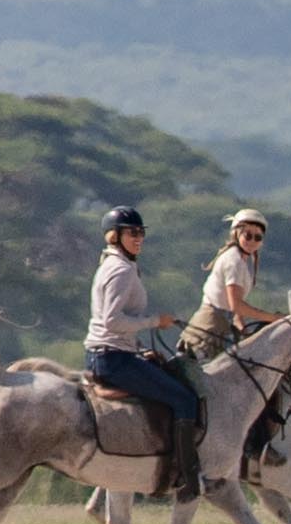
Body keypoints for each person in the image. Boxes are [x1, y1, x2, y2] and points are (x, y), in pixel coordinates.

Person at [83, 204, 213, 503]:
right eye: (132, 232)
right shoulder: (121, 270)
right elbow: (112, 322)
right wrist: (156, 322)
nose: (138, 238)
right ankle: (185, 475)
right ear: (114, 236)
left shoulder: (117, 266)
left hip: (116, 353)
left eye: (141, 232)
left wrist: (141, 348)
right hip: (113, 359)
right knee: (184, 398)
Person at [182, 208, 276, 362]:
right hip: (210, 326)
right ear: (236, 233)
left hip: (222, 324)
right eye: (248, 235)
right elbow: (236, 305)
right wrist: (273, 318)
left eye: (257, 237)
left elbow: (234, 306)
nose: (252, 241)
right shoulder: (234, 261)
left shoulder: (240, 260)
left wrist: (241, 326)